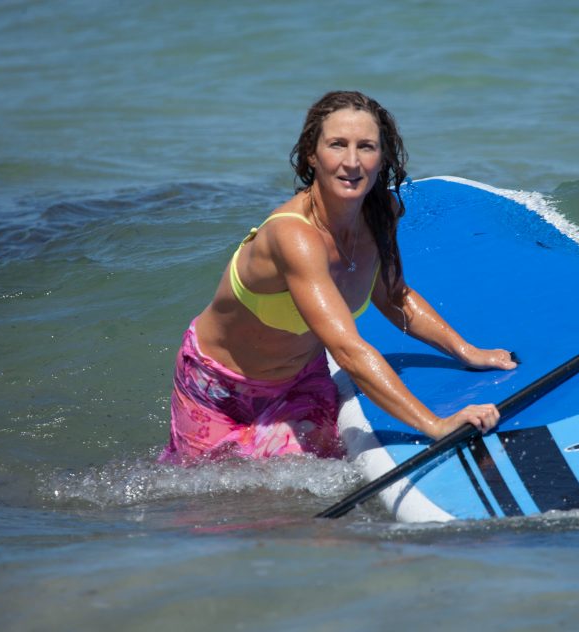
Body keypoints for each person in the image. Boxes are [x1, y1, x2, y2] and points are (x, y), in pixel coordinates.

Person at [160, 90, 517, 464]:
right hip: (218, 390)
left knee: (311, 469)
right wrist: (436, 425)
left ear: (383, 157)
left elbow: (394, 297)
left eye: (366, 147)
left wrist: (469, 353)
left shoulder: (382, 214)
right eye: (337, 145)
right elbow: (347, 350)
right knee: (217, 501)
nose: (352, 162)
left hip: (300, 379)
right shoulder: (293, 236)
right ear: (312, 155)